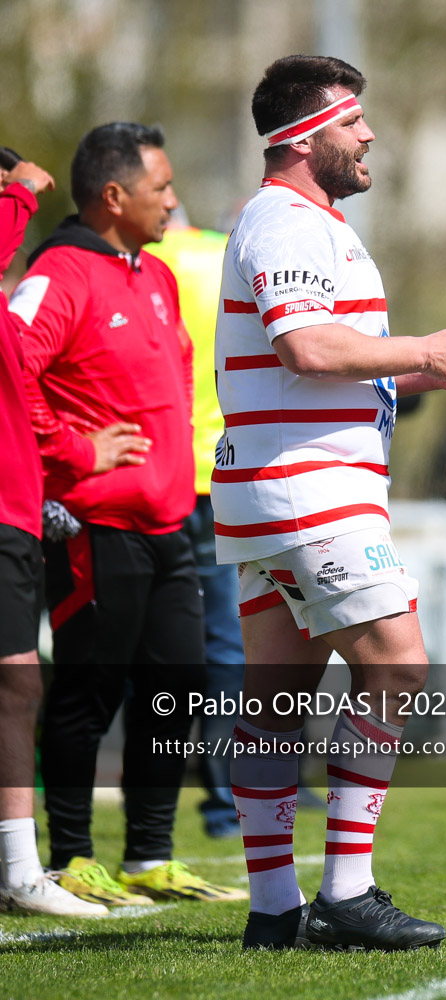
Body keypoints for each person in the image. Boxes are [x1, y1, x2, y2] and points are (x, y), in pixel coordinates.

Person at [212, 54, 446, 951]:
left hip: (281, 485)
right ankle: (345, 891)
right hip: (309, 489)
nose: (368, 133)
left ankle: (271, 911)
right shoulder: (288, 224)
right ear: (302, 140)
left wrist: (440, 359)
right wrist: (420, 346)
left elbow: (333, 366)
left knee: (276, 699)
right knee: (400, 666)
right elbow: (304, 348)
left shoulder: (310, 224)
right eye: (351, 122)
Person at [8, 123, 244, 907]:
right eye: (163, 187)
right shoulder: (60, 271)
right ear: (114, 196)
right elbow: (13, 371)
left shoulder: (157, 274)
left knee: (177, 687)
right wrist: (73, 450)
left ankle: (149, 854)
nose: (174, 201)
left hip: (172, 523)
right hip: (91, 527)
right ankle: (72, 856)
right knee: (86, 692)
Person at [0, 148, 105, 917]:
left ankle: (15, 869)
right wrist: (22, 195)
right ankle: (18, 871)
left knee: (17, 685)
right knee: (19, 684)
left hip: (14, 511)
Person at [147, 217, 245, 838]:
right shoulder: (230, 255)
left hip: (155, 472)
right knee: (229, 648)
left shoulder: (148, 261)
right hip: (220, 476)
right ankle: (224, 798)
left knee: (154, 643)